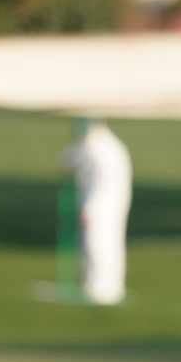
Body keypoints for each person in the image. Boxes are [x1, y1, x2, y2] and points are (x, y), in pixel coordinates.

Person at [63, 117, 132, 305]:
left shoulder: (103, 149)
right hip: (103, 203)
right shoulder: (95, 146)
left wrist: (91, 207)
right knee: (98, 242)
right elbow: (70, 160)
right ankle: (97, 285)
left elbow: (105, 184)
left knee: (99, 243)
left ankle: (102, 288)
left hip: (104, 204)